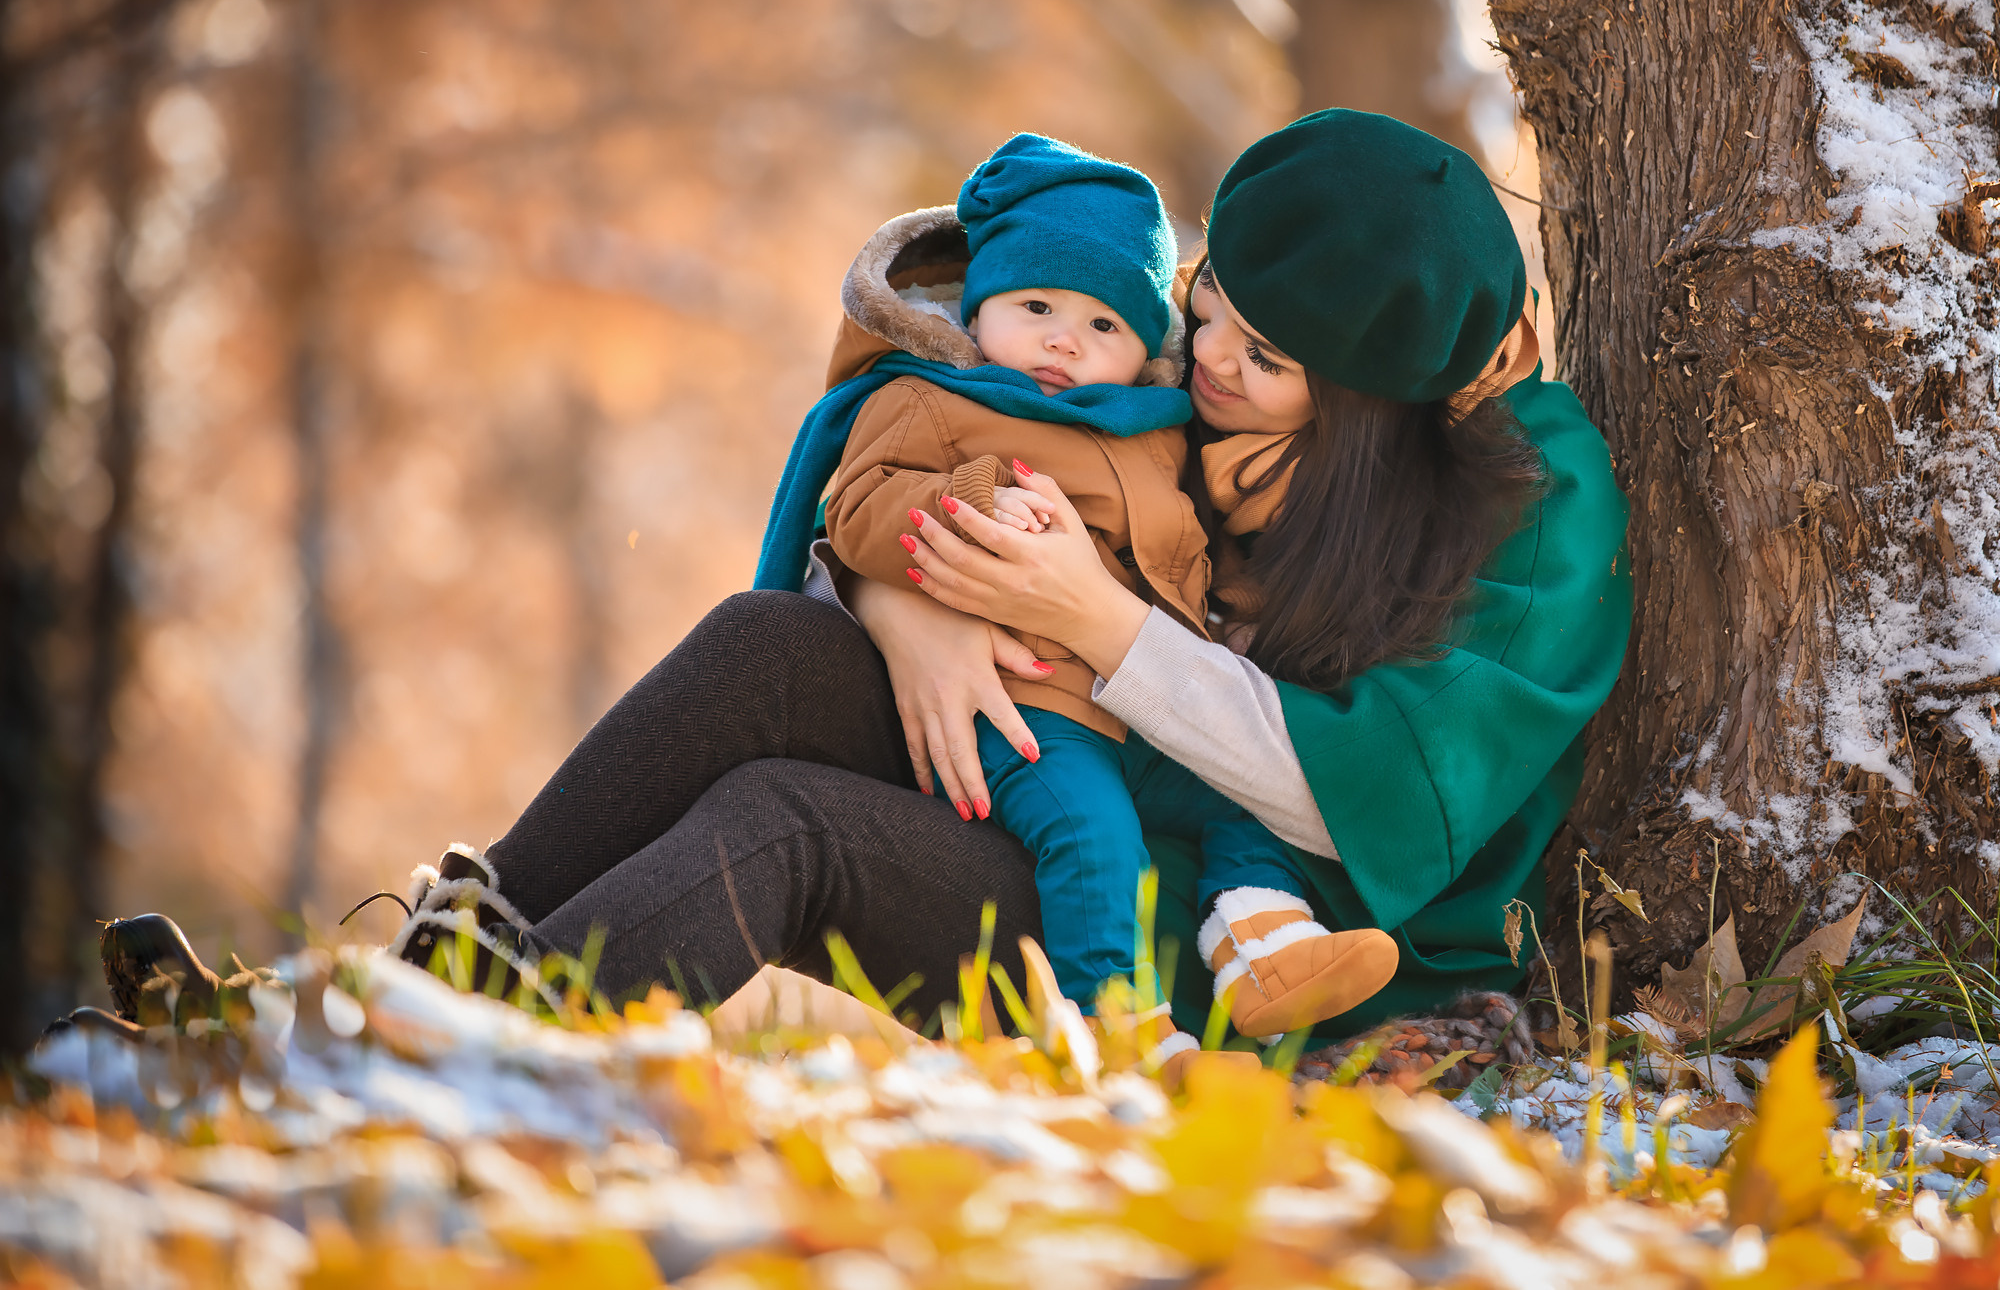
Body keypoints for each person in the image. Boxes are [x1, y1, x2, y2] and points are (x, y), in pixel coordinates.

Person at [83, 110, 1628, 1061]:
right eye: (1209, 297)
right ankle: (397, 993)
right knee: (767, 646)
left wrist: (1092, 623)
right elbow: (960, 461)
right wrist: (913, 605)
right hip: (1061, 757)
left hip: (1209, 947)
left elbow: (1368, 803)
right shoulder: (1202, 399)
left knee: (787, 825)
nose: (1202, 355)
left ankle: (412, 1057)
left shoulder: (1532, 515)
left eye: (1262, 356)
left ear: (1365, 404)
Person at [786, 132, 1396, 1046]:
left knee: (1244, 797)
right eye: (1036, 306)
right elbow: (858, 506)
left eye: (1106, 325)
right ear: (980, 306)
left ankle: (1260, 939)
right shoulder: (935, 400)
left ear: (1146, 347)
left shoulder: (1155, 428)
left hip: (1133, 706)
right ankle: (1119, 1035)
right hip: (1027, 704)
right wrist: (969, 501)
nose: (1065, 339)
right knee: (1093, 834)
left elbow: (1181, 559)